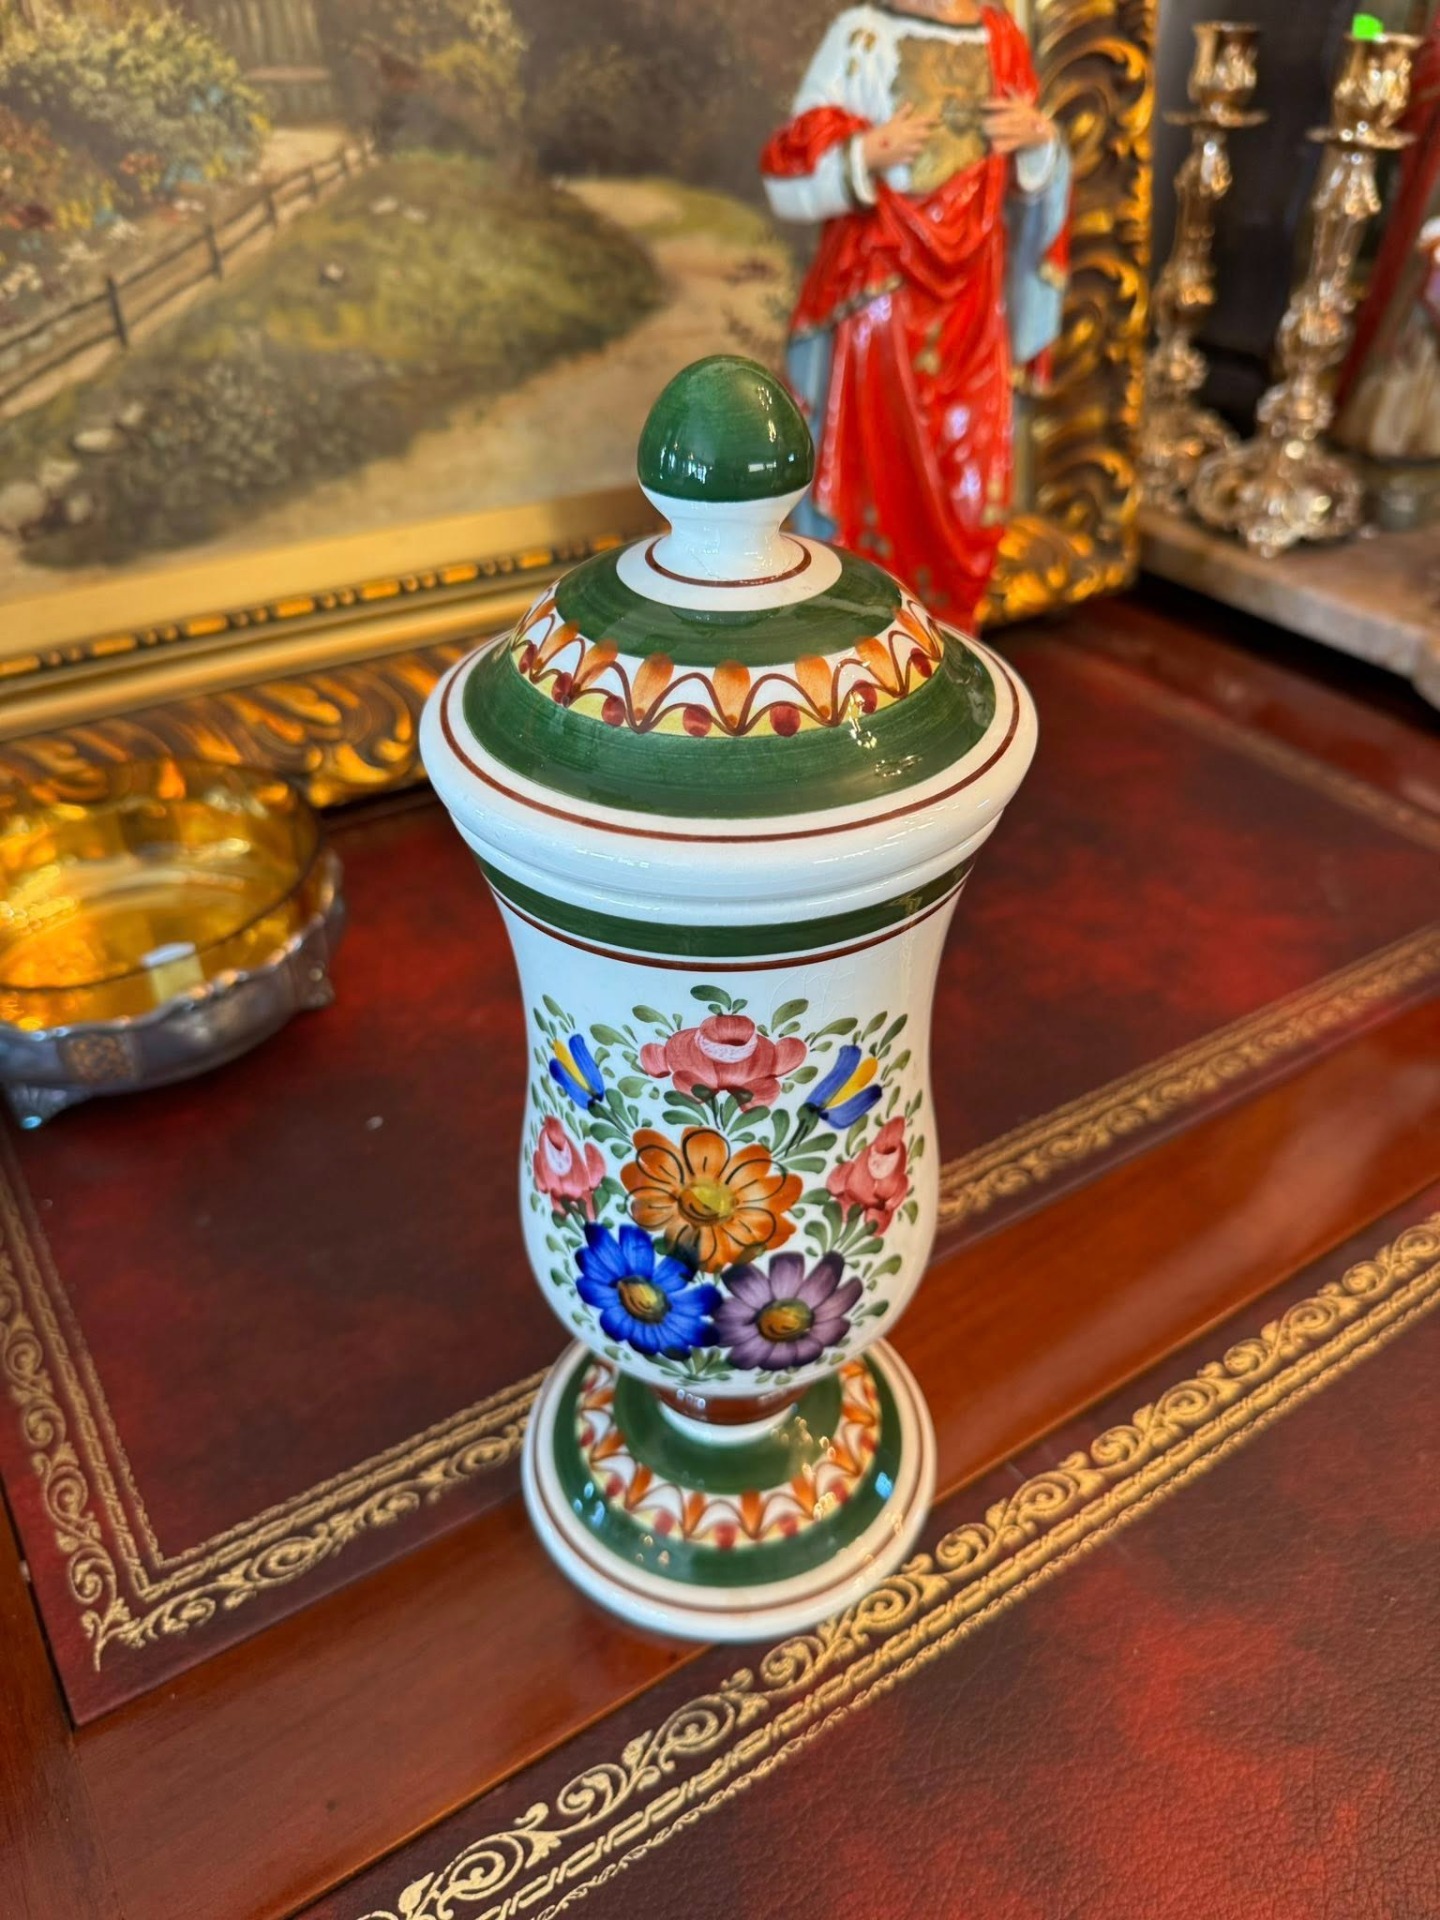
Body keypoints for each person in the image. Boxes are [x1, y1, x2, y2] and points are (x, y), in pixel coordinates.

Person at [761, 0, 1070, 627]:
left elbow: (1023, 179)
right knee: (875, 465)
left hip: (972, 306)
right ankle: (862, 626)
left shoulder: (1000, 39)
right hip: (881, 296)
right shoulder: (862, 36)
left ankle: (949, 629)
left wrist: (1040, 144)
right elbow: (790, 166)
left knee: (968, 472)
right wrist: (864, 154)